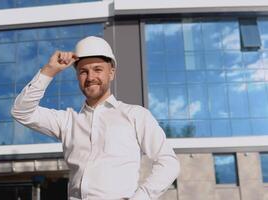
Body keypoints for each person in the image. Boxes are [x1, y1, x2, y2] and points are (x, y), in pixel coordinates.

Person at [11, 36, 180, 200]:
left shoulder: (135, 115)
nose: (90, 77)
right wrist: (49, 70)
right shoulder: (67, 121)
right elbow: (21, 111)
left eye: (98, 69)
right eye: (83, 72)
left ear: (111, 73)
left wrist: (141, 197)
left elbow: (168, 162)